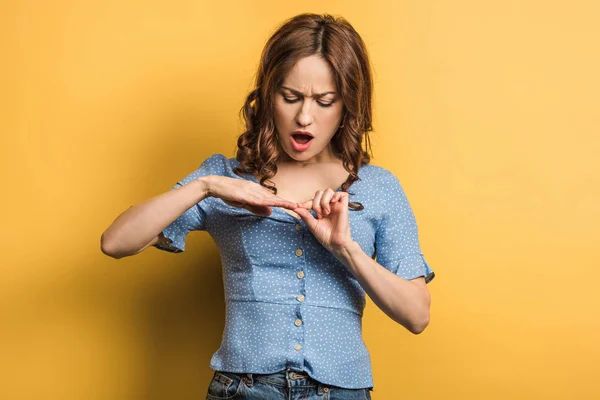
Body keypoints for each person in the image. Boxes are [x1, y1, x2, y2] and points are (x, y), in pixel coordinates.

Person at [101, 12, 435, 400]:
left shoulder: (379, 187)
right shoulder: (225, 178)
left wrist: (347, 249)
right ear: (268, 94)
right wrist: (204, 186)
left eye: (324, 101)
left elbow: (417, 315)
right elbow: (116, 242)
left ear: (347, 105)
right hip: (242, 389)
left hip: (342, 390)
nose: (304, 116)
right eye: (290, 97)